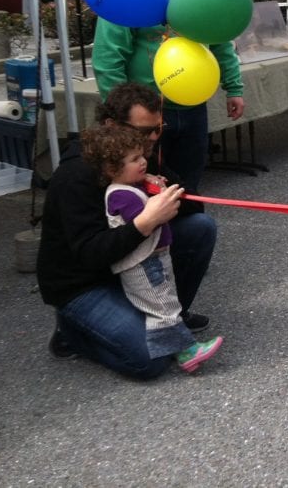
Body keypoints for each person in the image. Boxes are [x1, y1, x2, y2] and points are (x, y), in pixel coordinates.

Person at [38, 82, 219, 379]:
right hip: (84, 283)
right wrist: (145, 222)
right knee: (149, 363)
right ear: (111, 124)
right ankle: (72, 332)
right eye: (143, 132)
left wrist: (161, 192)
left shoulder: (137, 153)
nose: (151, 140)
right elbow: (89, 254)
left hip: (130, 265)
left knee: (200, 228)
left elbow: (191, 204)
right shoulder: (76, 175)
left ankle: (170, 321)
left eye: (158, 129)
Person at [92, 0, 245, 192]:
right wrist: (122, 118)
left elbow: (220, 38)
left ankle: (190, 233)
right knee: (144, 191)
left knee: (188, 188)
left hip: (193, 108)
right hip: (144, 117)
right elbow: (108, 59)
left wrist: (234, 86)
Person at [81, 123, 224, 373]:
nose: (143, 161)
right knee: (161, 304)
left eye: (141, 155)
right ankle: (186, 351)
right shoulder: (119, 195)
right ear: (113, 168)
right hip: (143, 262)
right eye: (134, 159)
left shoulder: (130, 187)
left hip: (153, 256)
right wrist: (159, 198)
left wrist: (151, 184)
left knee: (164, 298)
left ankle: (174, 344)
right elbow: (146, 215)